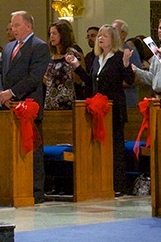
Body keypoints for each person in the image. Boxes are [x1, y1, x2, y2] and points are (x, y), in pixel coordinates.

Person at [66, 24, 135, 195]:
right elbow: (91, 82)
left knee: (116, 148)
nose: (100, 38)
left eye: (104, 36)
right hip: (98, 109)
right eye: (100, 36)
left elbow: (129, 80)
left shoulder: (119, 56)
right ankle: (102, 182)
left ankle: (118, 185)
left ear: (113, 39)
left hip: (114, 108)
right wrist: (76, 66)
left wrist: (126, 63)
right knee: (100, 147)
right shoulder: (97, 58)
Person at [0, 11, 51, 203]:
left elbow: (35, 77)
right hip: (8, 105)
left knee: (33, 149)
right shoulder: (9, 47)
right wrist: (2, 93)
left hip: (28, 105)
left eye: (17, 25)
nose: (13, 29)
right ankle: (14, 186)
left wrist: (12, 93)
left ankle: (35, 190)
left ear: (28, 26)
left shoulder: (39, 47)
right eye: (12, 25)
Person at [44, 20, 81, 110]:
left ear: (63, 35)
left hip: (66, 100)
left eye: (54, 33)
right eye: (50, 34)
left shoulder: (72, 53)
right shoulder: (51, 55)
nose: (51, 36)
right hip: (50, 100)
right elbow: (47, 79)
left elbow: (78, 79)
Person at [112, 20, 141, 108]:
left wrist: (114, 84)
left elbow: (137, 77)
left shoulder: (131, 51)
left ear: (123, 34)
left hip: (127, 98)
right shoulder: (109, 51)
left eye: (114, 31)